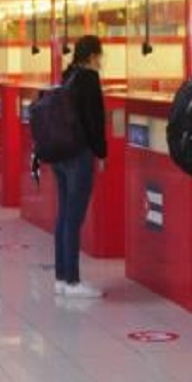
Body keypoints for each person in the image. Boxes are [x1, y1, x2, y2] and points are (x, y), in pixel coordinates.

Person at [52, 35, 107, 299]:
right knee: (74, 218)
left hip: (60, 155)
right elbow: (95, 121)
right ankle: (73, 282)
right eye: (100, 55)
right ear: (93, 55)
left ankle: (61, 278)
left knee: (64, 216)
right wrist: (102, 153)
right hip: (79, 157)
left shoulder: (68, 75)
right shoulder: (89, 79)